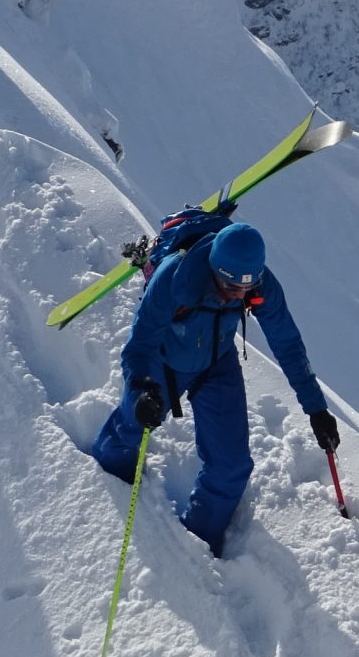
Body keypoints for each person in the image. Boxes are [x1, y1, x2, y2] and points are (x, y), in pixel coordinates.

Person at [89, 219, 337, 555]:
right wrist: (141, 389)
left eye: (247, 288)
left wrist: (316, 408)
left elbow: (288, 344)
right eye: (233, 288)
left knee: (231, 466)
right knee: (131, 425)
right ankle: (107, 484)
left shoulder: (259, 284)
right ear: (215, 269)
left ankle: (198, 550)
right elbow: (139, 345)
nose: (241, 295)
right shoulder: (174, 279)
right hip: (164, 360)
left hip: (216, 361)